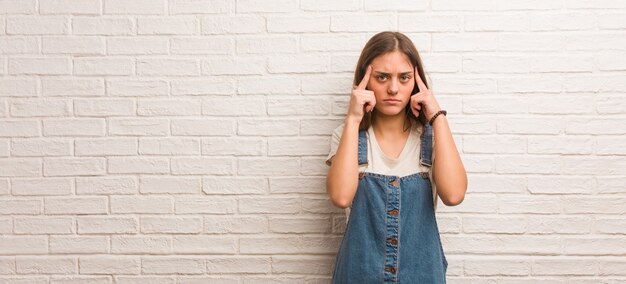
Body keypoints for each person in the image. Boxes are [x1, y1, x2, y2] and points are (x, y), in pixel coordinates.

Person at [325, 31, 468, 283]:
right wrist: (352, 119)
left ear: (417, 81)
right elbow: (340, 196)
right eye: (382, 77)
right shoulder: (348, 135)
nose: (393, 88)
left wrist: (438, 116)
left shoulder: (432, 138)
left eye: (404, 78)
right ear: (365, 81)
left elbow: (454, 195)